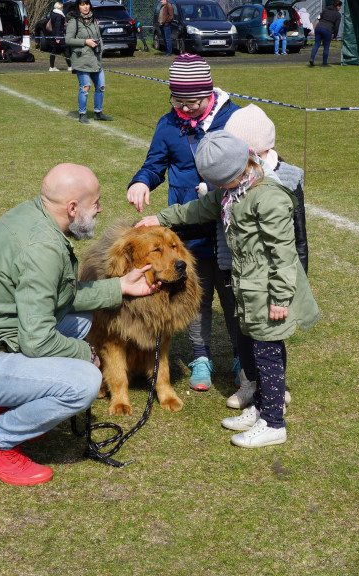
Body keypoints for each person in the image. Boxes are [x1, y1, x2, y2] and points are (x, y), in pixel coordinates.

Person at [0, 163, 161, 485]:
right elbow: (37, 341)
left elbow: (57, 296)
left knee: (78, 321)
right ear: (72, 208)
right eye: (95, 203)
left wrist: (120, 286)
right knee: (83, 383)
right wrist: (87, 355)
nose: (99, 210)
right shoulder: (43, 249)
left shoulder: (32, 215)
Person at [136, 132, 319, 448]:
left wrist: (279, 297)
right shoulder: (231, 192)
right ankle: (259, 407)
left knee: (268, 356)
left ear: (237, 170)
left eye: (220, 181)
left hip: (269, 293)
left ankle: (273, 423)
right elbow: (197, 209)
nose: (217, 187)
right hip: (248, 288)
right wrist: (161, 218)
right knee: (250, 349)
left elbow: (283, 253)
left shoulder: (269, 198)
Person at [126, 54, 239, 391]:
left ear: (209, 93)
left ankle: (241, 356)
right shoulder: (168, 125)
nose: (186, 109)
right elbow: (154, 164)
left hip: (229, 226)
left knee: (233, 297)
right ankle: (201, 357)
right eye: (179, 102)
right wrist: (142, 181)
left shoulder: (233, 119)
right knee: (194, 298)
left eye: (193, 102)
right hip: (188, 228)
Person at [221, 103, 308, 410]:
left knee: (270, 339)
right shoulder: (232, 176)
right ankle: (250, 384)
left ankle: (273, 392)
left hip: (272, 279)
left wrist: (292, 283)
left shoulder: (286, 179)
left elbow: (295, 238)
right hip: (241, 274)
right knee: (244, 334)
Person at [65, 0, 111, 124]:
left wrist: (101, 48)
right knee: (85, 87)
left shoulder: (93, 19)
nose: (85, 7)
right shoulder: (74, 21)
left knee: (101, 86)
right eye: (82, 4)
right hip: (81, 60)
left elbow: (99, 37)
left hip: (95, 60)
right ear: (78, 7)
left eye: (87, 4)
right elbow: (68, 40)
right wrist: (85, 42)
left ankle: (98, 113)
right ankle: (82, 114)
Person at [308, 0, 341, 67]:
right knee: (326, 46)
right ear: (337, 6)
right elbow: (336, 26)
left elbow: (320, 18)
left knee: (317, 44)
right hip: (327, 29)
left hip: (318, 27)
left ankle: (312, 58)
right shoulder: (337, 14)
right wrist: (335, 36)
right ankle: (324, 63)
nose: (340, 8)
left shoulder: (325, 10)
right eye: (340, 7)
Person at [47, 2, 69, 71]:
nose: (62, 9)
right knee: (66, 49)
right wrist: (58, 37)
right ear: (60, 8)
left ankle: (51, 67)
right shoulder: (59, 15)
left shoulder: (53, 14)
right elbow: (57, 26)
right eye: (62, 7)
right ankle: (70, 66)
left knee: (53, 50)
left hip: (53, 34)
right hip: (59, 34)